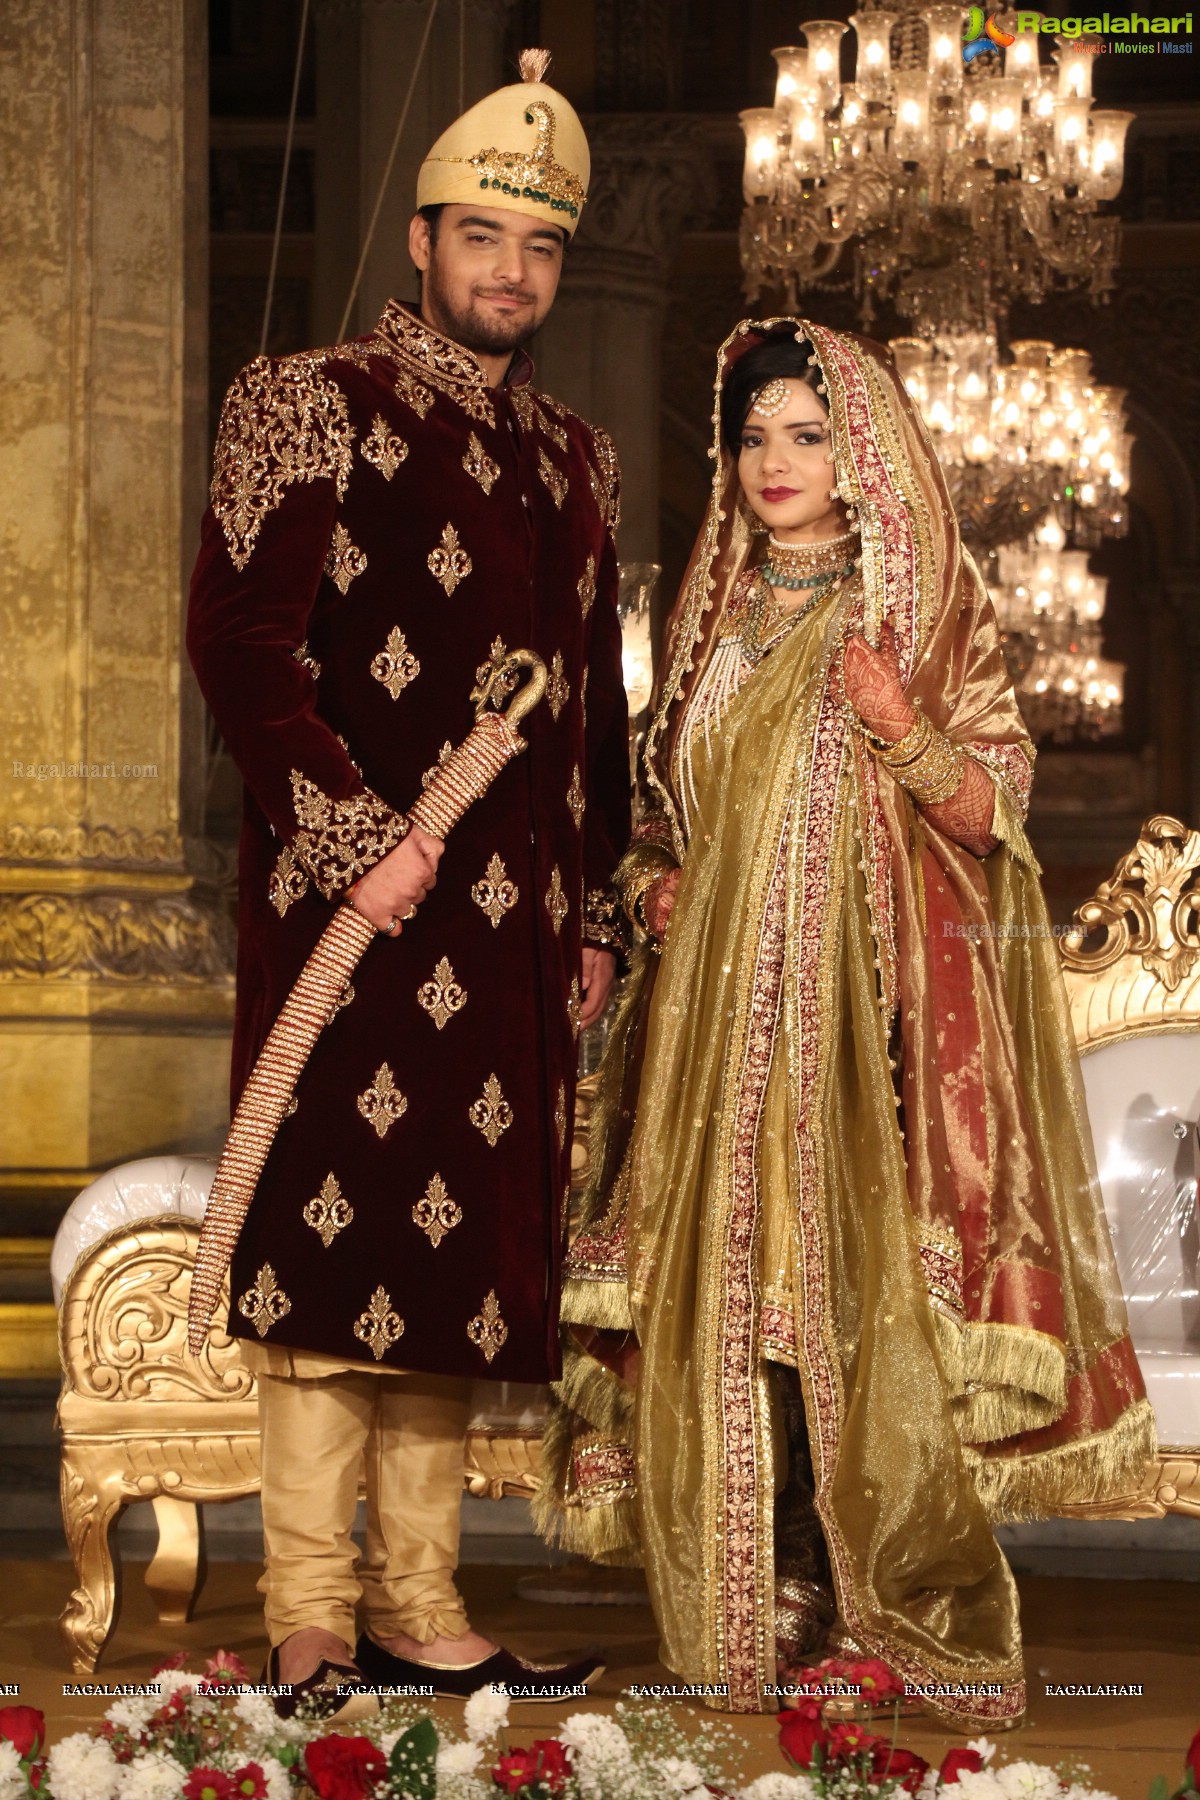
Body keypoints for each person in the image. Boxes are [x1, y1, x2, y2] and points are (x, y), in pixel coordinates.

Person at [535, 319, 1153, 1730]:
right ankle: (762, 1598)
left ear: (858, 453)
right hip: (706, 1044)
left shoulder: (914, 610)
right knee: (725, 1309)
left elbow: (993, 813)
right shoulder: (704, 627)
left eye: (807, 435)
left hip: (859, 1035)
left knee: (841, 1313)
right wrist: (654, 885)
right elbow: (654, 820)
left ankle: (881, 1596)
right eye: (754, 437)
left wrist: (900, 724)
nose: (774, 461)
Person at [187, 51, 630, 1715]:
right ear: (428, 237)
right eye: (484, 237)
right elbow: (240, 645)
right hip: (348, 909)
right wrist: (357, 842)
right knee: (330, 1238)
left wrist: (588, 912)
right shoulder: (306, 397)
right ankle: (309, 1609)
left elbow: (594, 703)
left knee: (455, 1255)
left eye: (541, 248)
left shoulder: (577, 458)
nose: (512, 272)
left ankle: (423, 1604)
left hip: (510, 932)